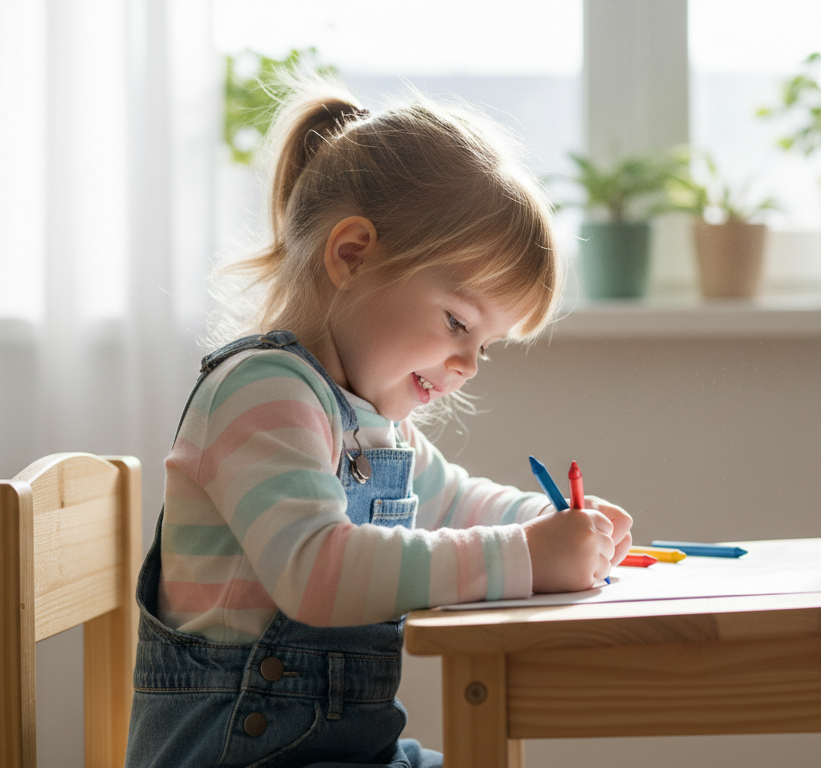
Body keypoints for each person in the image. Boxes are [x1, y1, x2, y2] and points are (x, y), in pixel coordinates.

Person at [125, 74, 633, 768]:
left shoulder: (365, 422)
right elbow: (315, 569)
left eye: (483, 345)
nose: (468, 365)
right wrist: (526, 556)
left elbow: (452, 501)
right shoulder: (262, 394)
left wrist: (558, 526)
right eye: (458, 322)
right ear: (353, 255)